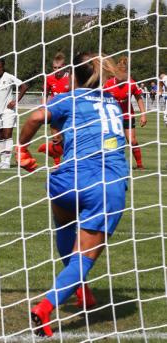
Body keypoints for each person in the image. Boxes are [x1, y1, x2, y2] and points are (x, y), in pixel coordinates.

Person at [16, 52, 129, 337]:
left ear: (73, 75)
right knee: (85, 256)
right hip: (106, 184)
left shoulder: (69, 97)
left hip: (66, 181)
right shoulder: (112, 101)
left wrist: (22, 148)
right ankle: (45, 307)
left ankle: (81, 290)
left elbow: (36, 117)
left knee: (65, 226)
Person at [104, 57, 147, 169]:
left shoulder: (131, 83)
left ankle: (139, 165)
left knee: (132, 141)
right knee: (112, 142)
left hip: (128, 116)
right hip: (112, 118)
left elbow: (139, 98)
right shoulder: (108, 84)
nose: (121, 78)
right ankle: (112, 165)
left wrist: (143, 114)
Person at [0, 59, 29, 169]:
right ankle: (2, 160)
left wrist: (15, 101)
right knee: (0, 136)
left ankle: (7, 162)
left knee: (7, 135)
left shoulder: (9, 77)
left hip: (8, 111)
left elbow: (24, 86)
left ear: (3, 67)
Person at [41, 52, 70, 166]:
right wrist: (44, 107)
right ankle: (57, 163)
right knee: (55, 138)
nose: (57, 70)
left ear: (64, 67)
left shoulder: (70, 78)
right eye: (54, 67)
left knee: (68, 137)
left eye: (59, 67)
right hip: (55, 111)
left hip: (68, 112)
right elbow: (45, 94)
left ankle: (69, 159)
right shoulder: (49, 78)